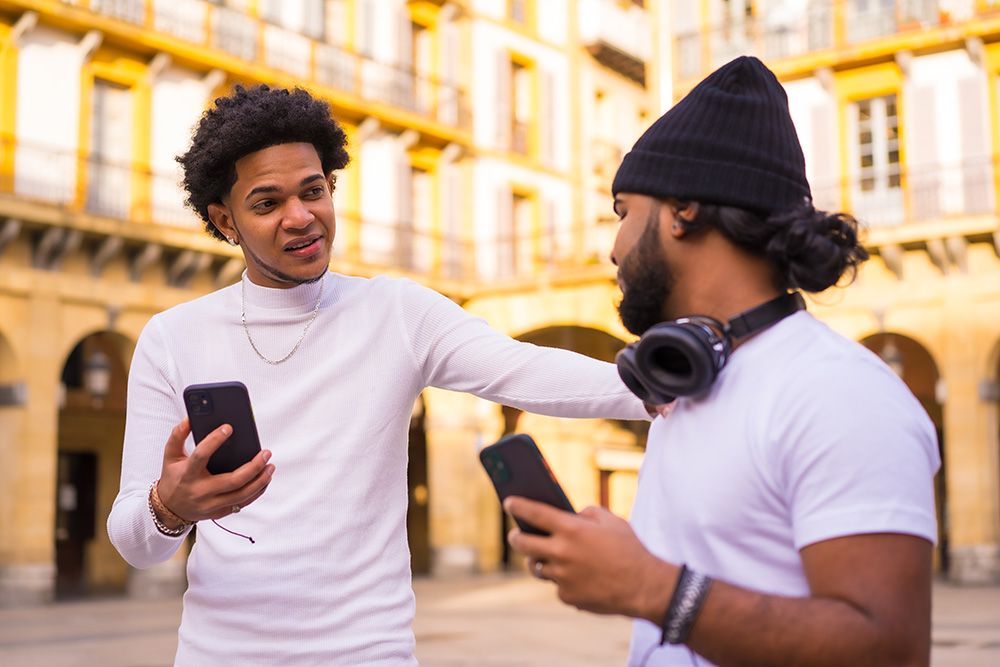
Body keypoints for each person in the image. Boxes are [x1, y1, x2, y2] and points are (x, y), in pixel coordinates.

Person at [106, 83, 650, 665]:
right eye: (266, 203)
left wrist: (673, 388)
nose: (300, 217)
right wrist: (172, 507)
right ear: (226, 221)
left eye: (313, 191)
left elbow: (527, 370)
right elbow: (134, 544)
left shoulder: (397, 314)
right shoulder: (172, 337)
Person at [504, 56, 940, 667]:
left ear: (684, 210)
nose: (612, 248)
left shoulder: (838, 395)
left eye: (623, 212)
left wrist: (650, 587)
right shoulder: (683, 391)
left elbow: (887, 648)